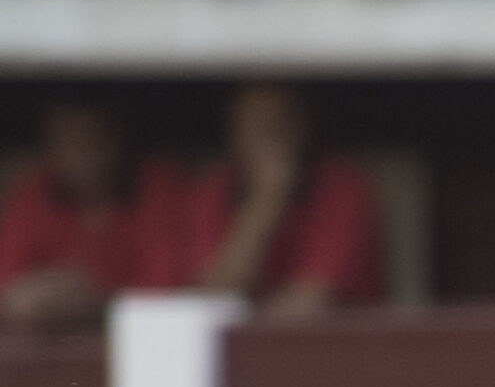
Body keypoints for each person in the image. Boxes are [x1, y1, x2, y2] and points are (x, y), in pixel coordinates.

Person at [182, 84, 383, 318]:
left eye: (278, 123)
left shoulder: (344, 189)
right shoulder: (211, 191)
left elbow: (311, 303)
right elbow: (212, 299)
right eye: (254, 125)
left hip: (336, 349)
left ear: (303, 127)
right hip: (242, 347)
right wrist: (265, 199)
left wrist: (274, 188)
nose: (268, 137)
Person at [0, 99, 187, 330]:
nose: (82, 153)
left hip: (139, 341)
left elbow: (171, 292)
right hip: (47, 348)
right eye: (69, 142)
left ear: (117, 140)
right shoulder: (33, 197)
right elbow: (8, 288)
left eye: (92, 139)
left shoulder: (157, 189)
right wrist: (33, 297)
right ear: (51, 151)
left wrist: (98, 302)